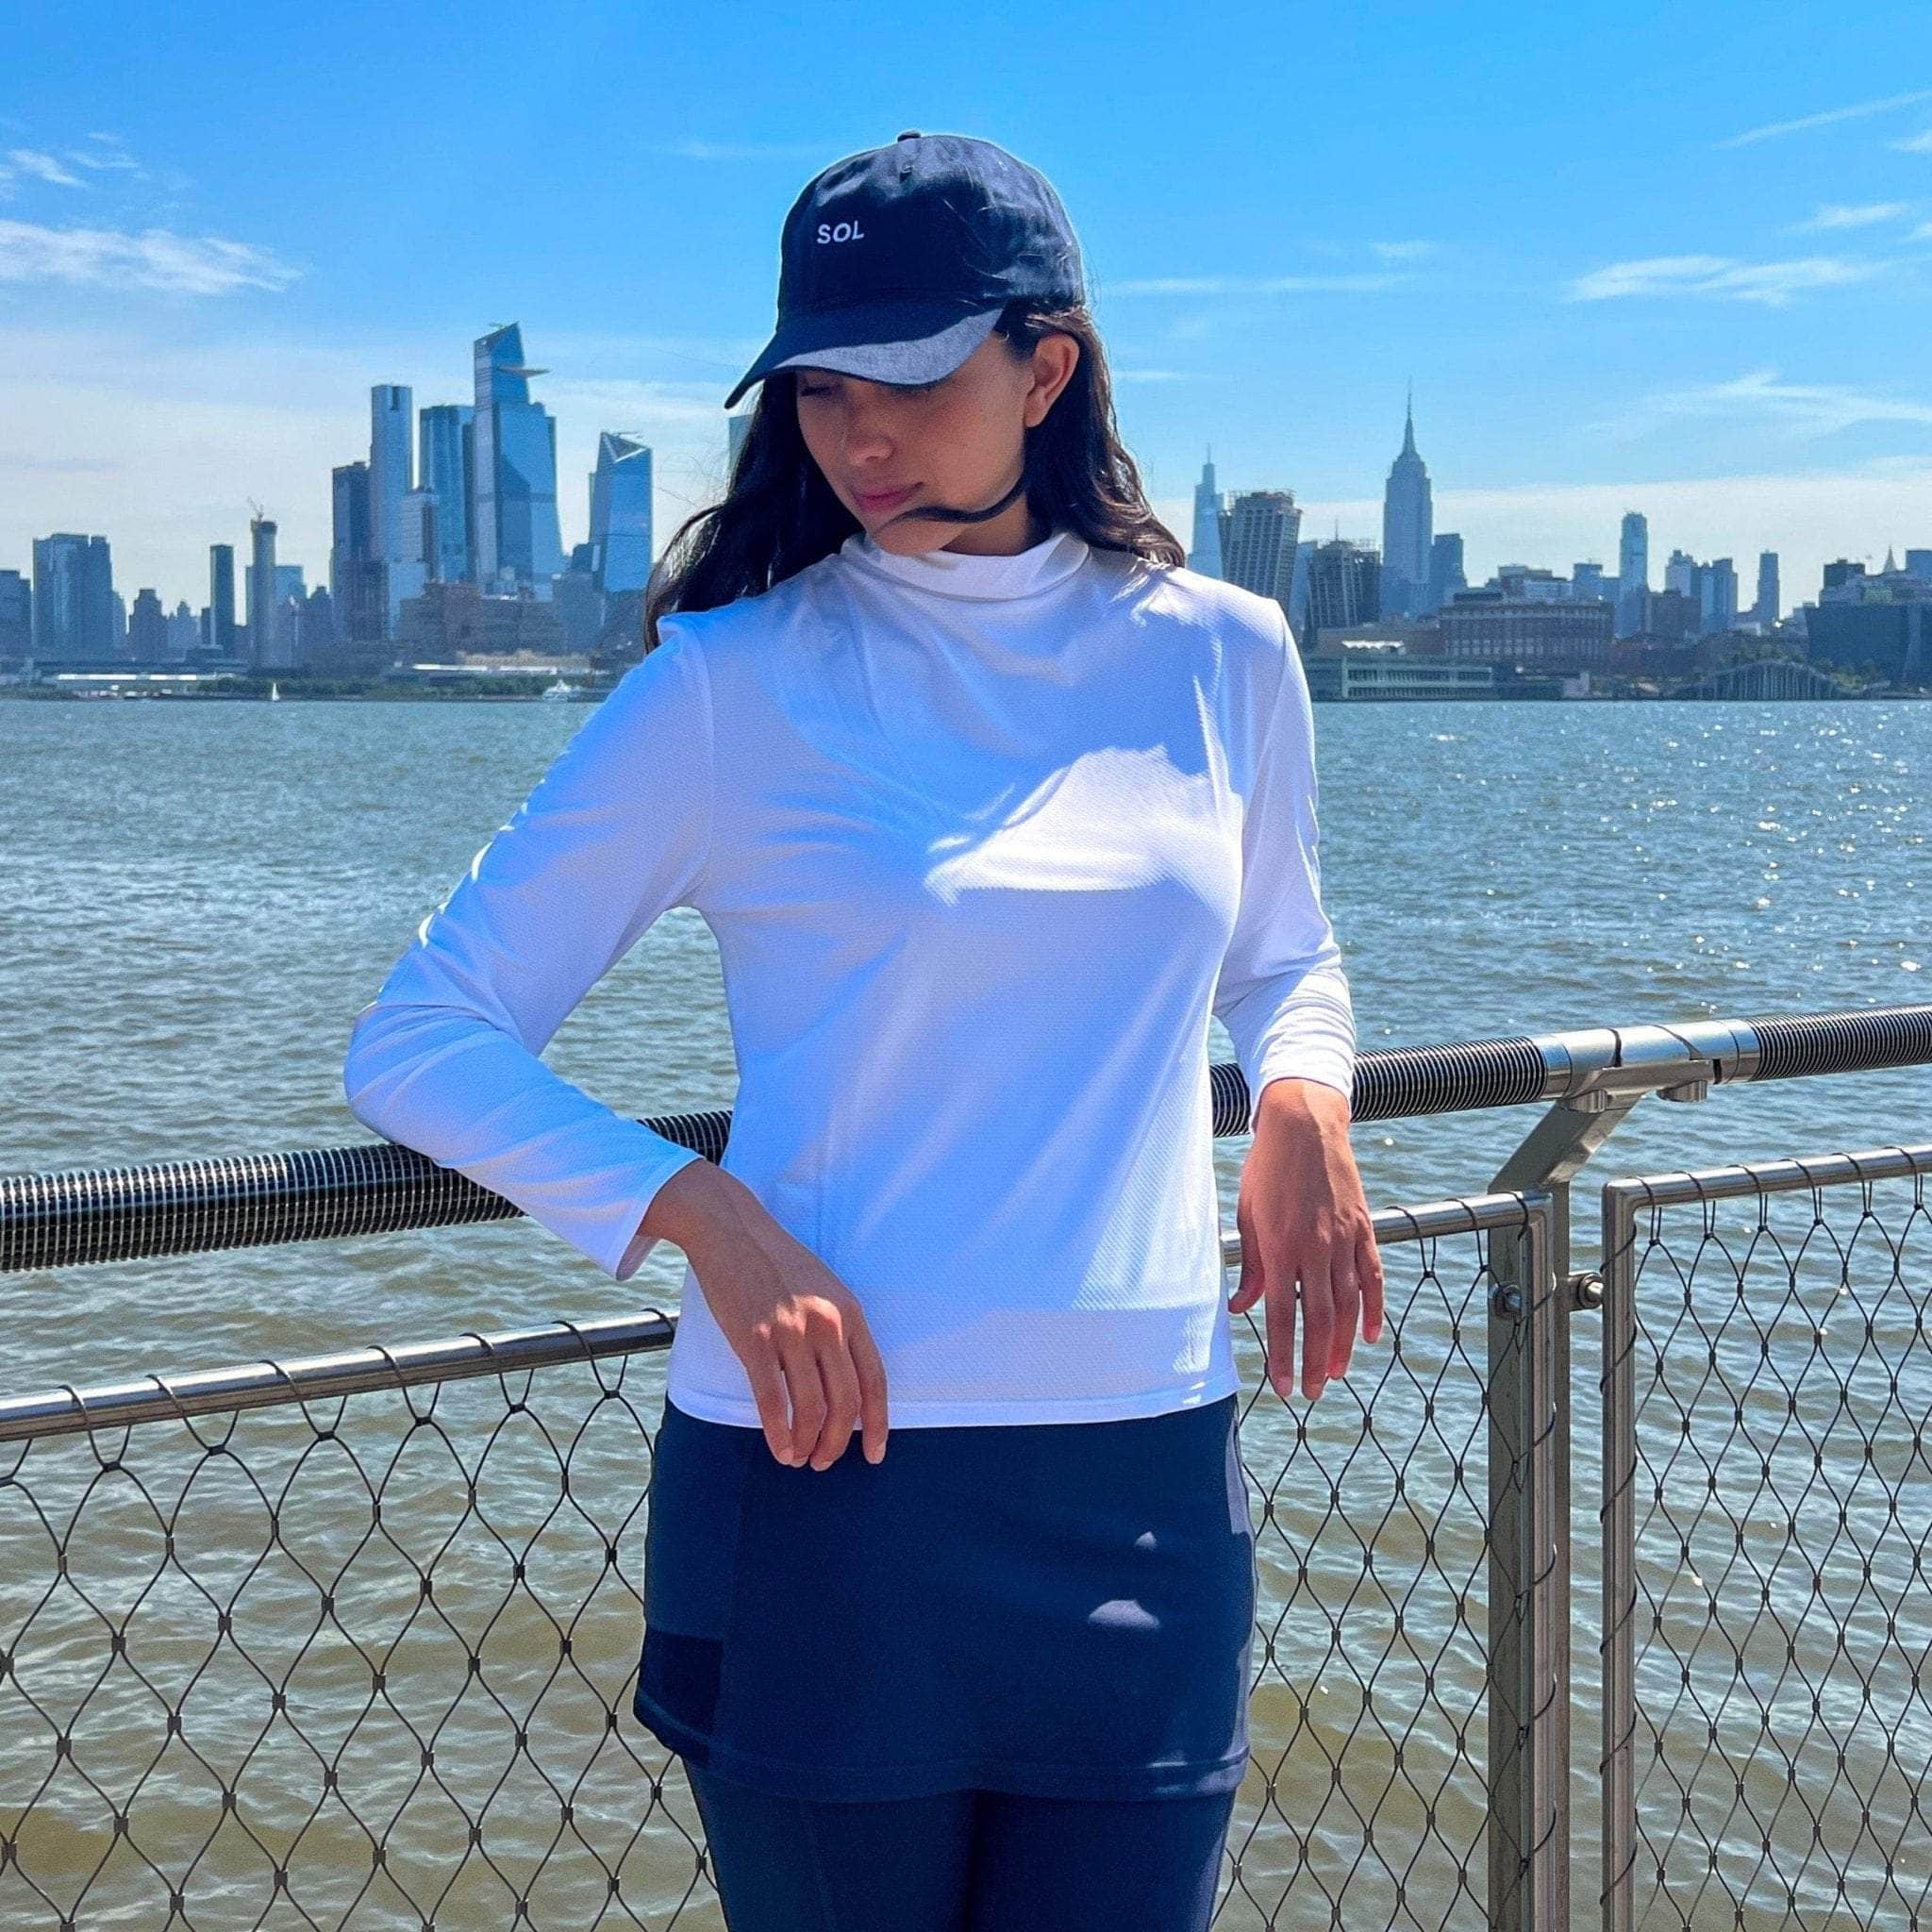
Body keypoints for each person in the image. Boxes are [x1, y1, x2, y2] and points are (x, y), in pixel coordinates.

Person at [342, 129, 1385, 1932]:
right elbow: (420, 1036)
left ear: (1047, 369)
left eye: (910, 379)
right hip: (826, 1480)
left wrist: (1305, 1097)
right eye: (822, 388)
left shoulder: (1226, 653)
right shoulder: (730, 684)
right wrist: (701, 1213)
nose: (859, 436)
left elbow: (1286, 948)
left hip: (1146, 1473)